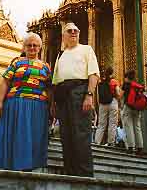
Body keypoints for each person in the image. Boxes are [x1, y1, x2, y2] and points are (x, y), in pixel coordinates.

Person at [0, 32, 51, 171]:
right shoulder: (17, 62)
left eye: (35, 45)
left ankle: (29, 165)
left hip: (38, 105)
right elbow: (5, 81)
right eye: (29, 45)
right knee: (16, 133)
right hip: (16, 102)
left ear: (40, 48)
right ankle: (12, 163)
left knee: (33, 135)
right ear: (24, 47)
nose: (32, 48)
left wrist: (51, 106)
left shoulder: (45, 67)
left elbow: (49, 88)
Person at [52, 22, 100, 177]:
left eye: (75, 31)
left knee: (81, 133)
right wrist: (53, 103)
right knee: (66, 134)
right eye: (69, 31)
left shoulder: (86, 49)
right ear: (64, 36)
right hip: (62, 95)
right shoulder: (61, 55)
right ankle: (70, 171)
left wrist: (89, 95)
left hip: (80, 92)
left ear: (79, 34)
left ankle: (84, 174)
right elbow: (55, 81)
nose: (73, 33)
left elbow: (93, 74)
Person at [95, 66, 120, 146]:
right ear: (112, 73)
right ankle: (111, 142)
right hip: (112, 102)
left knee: (101, 124)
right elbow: (118, 93)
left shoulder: (100, 82)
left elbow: (98, 95)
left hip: (102, 104)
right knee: (112, 123)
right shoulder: (114, 82)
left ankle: (97, 141)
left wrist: (100, 103)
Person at [120, 70, 144, 154]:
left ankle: (131, 146)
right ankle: (140, 147)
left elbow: (120, 95)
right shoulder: (137, 85)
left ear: (127, 77)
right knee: (137, 127)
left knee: (128, 126)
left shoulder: (126, 85)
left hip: (128, 107)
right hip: (137, 108)